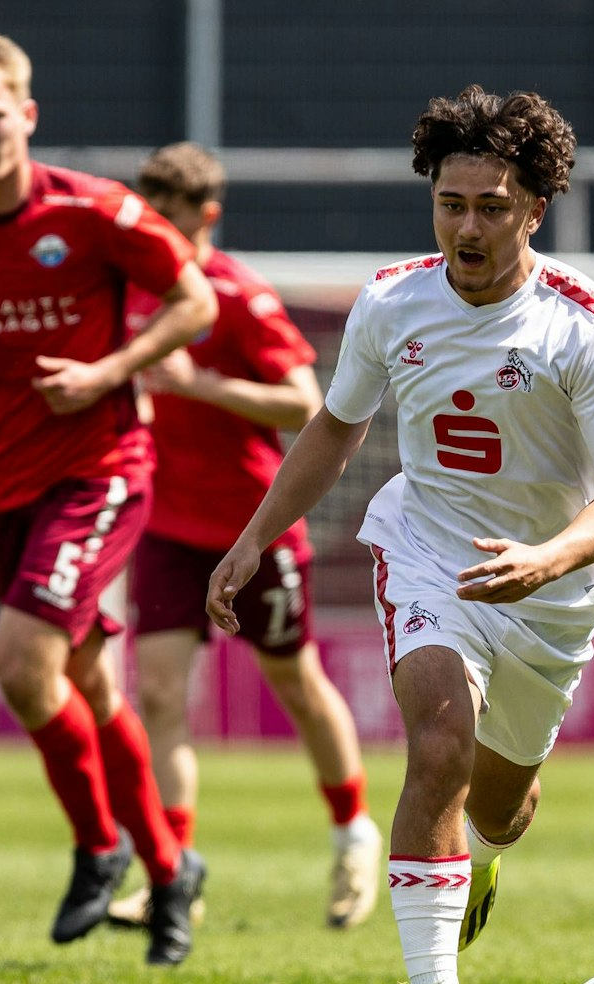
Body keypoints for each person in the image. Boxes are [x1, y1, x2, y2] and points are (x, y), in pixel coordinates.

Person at [207, 86, 594, 984]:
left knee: (503, 808)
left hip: (548, 592)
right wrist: (255, 537)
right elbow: (336, 427)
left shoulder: (584, 324)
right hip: (428, 554)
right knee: (440, 740)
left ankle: (478, 862)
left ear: (534, 209)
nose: (467, 228)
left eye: (492, 207)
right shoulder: (389, 302)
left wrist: (546, 560)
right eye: (450, 204)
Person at [0, 32, 218, 966]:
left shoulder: (94, 209)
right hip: (5, 485)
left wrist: (109, 370)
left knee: (21, 665)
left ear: (27, 115)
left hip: (100, 470)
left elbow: (195, 301)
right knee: (90, 686)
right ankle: (170, 870)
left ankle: (99, 844)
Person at [107, 142, 381, 933]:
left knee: (294, 682)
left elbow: (304, 404)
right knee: (160, 696)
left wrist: (202, 385)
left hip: (256, 528)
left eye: (169, 219)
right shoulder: (135, 293)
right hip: (168, 525)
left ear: (208, 217)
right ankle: (172, 873)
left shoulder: (240, 296)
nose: (155, 234)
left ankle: (353, 833)